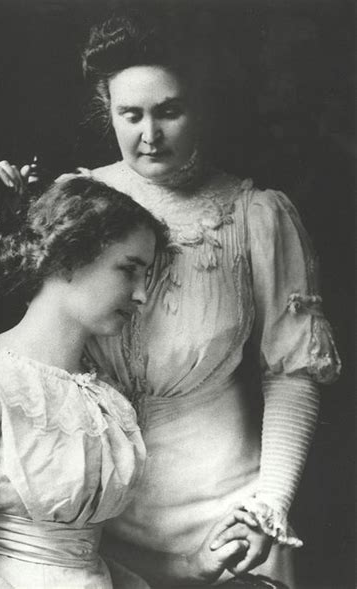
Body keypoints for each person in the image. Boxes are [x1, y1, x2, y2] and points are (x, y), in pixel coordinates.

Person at [74, 13, 341, 589]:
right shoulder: (75, 203)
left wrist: (268, 503)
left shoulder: (257, 216)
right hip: (94, 508)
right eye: (132, 115)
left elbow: (293, 369)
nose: (151, 135)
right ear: (109, 112)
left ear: (202, 107)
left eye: (170, 111)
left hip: (226, 512)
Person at [0, 176, 261, 589]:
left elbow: (82, 559)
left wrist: (189, 566)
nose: (143, 295)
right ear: (69, 257)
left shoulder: (102, 398)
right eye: (129, 270)